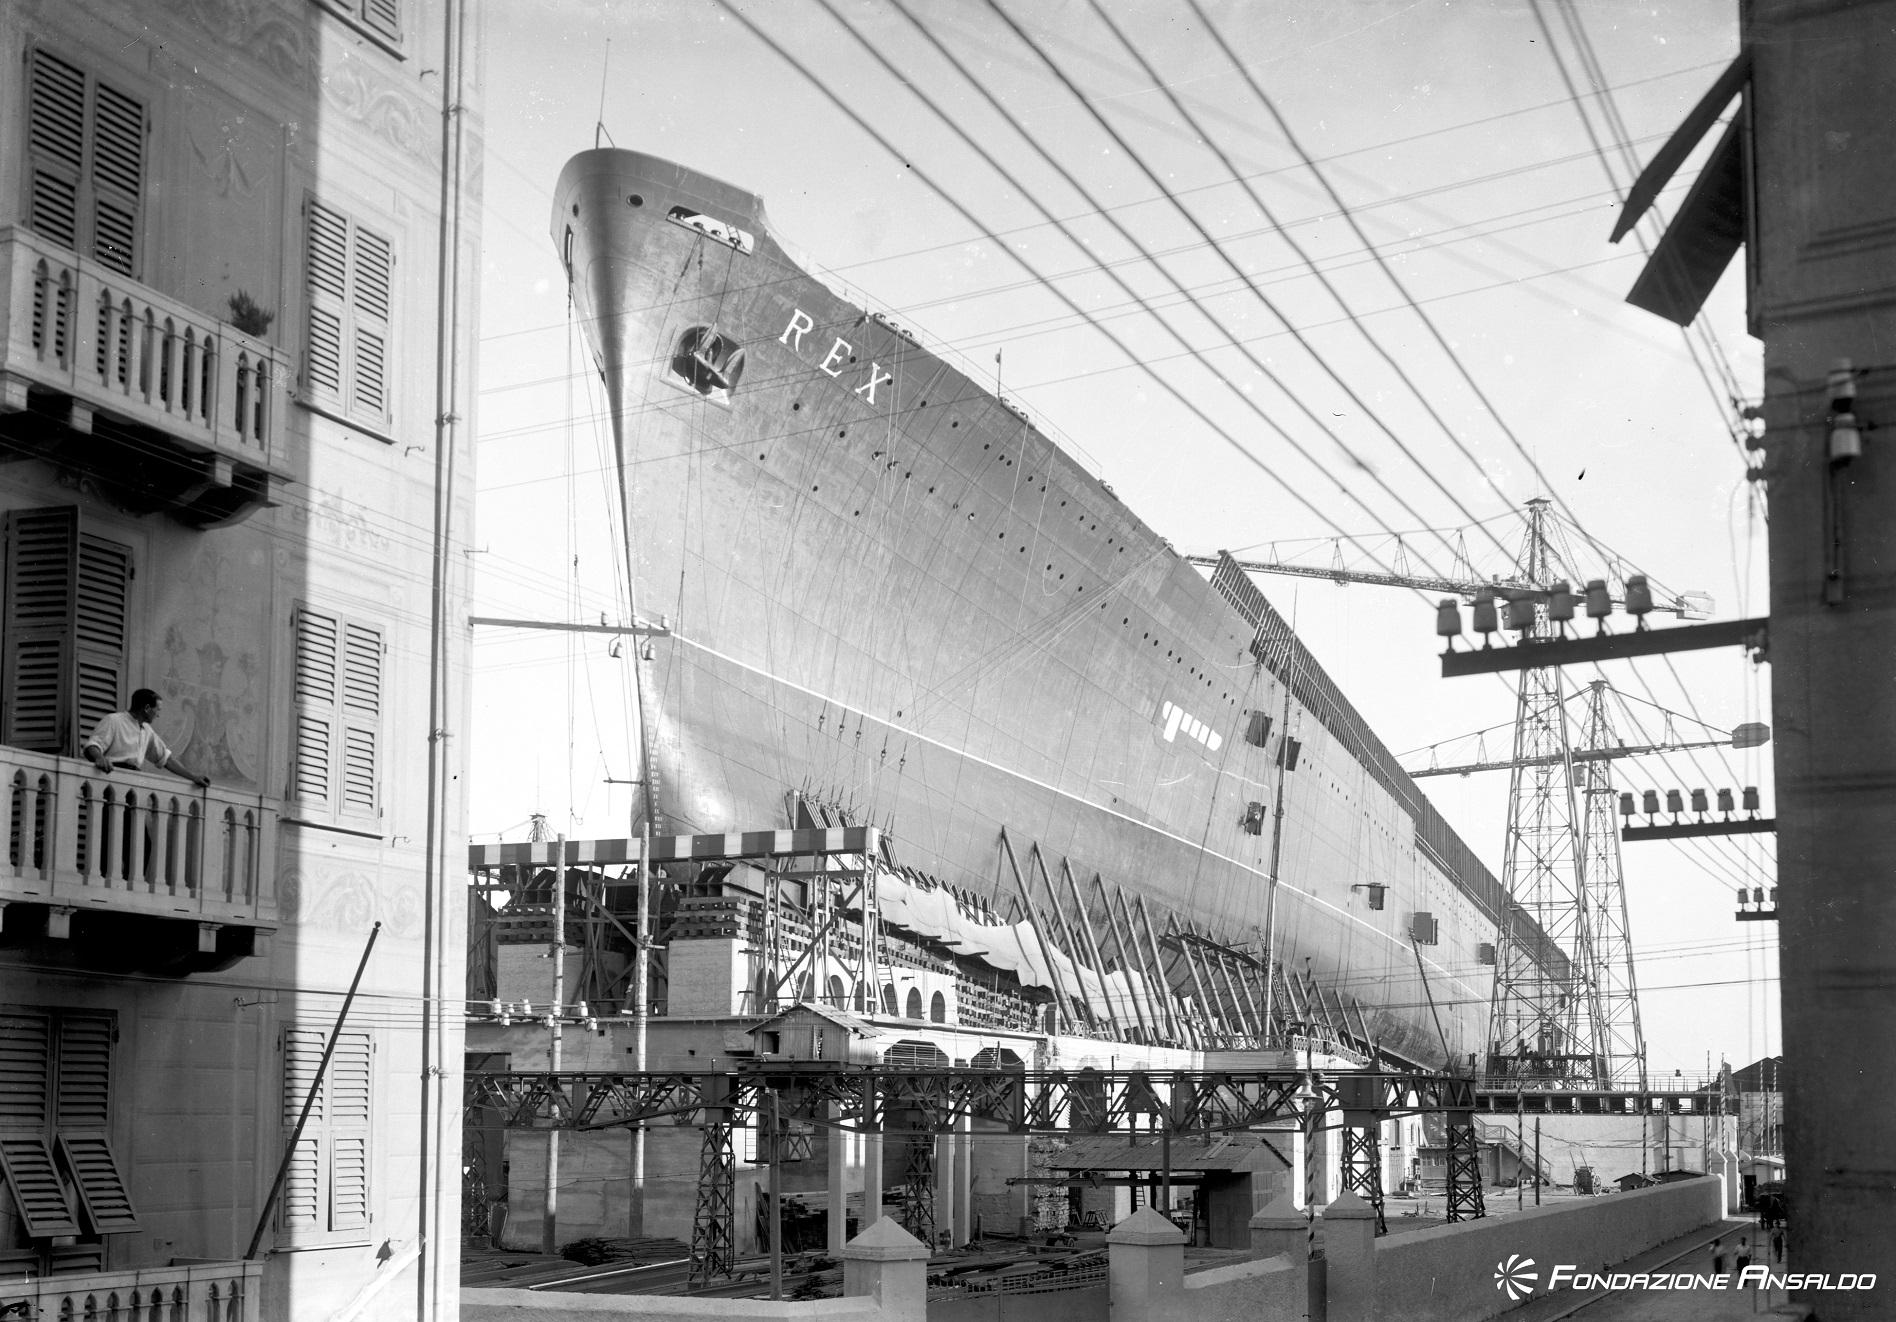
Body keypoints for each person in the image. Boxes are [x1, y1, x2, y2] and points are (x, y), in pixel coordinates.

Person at [82, 690, 210, 787]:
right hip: (111, 780)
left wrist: (193, 777)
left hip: (133, 784)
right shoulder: (114, 720)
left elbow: (166, 759)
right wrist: (99, 757)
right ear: (147, 708)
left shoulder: (147, 731)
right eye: (157, 710)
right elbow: (93, 746)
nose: (158, 715)